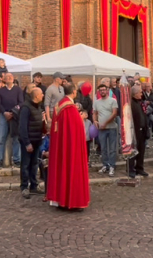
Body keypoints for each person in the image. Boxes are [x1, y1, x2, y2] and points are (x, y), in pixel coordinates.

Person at [46, 83, 90, 211]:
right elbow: (77, 130)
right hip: (71, 147)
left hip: (61, 146)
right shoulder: (70, 108)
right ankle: (73, 201)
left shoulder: (59, 104)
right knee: (72, 168)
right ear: (74, 92)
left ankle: (60, 200)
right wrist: (81, 118)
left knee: (61, 168)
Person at [19, 86, 45, 198]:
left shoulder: (38, 107)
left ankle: (33, 185)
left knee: (34, 165)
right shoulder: (26, 108)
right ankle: (24, 186)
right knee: (25, 165)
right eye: (41, 94)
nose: (43, 95)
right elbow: (22, 127)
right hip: (28, 141)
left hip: (37, 140)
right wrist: (27, 143)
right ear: (36, 96)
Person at [0, 73, 23, 167]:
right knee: (1, 138)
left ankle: (17, 160)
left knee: (16, 138)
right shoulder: (0, 91)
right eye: (7, 77)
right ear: (4, 80)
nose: (9, 78)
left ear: (13, 78)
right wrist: (5, 113)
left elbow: (21, 103)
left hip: (15, 116)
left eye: (11, 77)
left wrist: (13, 112)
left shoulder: (18, 90)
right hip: (4, 116)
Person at [93, 83, 118, 177]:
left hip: (111, 127)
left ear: (107, 90)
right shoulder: (96, 102)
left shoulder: (113, 100)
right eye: (101, 90)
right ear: (99, 92)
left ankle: (112, 166)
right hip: (101, 129)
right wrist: (95, 121)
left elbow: (114, 113)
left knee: (112, 148)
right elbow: (94, 113)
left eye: (104, 90)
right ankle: (105, 165)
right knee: (103, 148)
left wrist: (105, 123)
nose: (102, 91)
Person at [129, 85, 149, 178]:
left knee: (141, 150)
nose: (142, 94)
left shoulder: (140, 102)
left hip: (142, 130)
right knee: (133, 151)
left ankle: (139, 167)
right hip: (134, 131)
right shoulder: (131, 104)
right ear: (135, 93)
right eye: (140, 92)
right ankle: (131, 169)